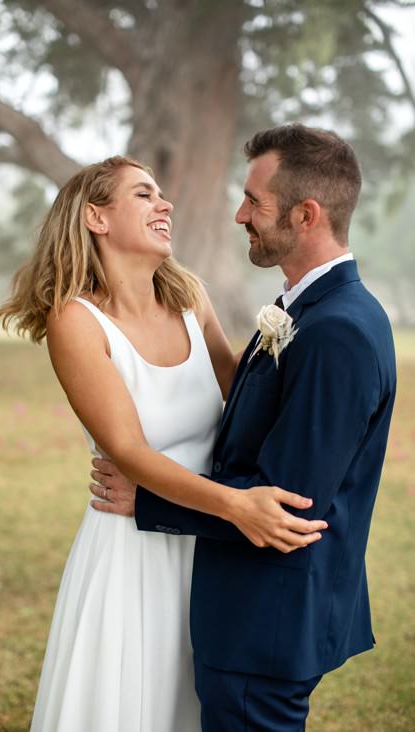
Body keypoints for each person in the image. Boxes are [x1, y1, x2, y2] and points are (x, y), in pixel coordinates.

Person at [0, 155, 329, 731]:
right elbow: (127, 450)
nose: (165, 204)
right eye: (145, 195)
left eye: (162, 195)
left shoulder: (188, 296)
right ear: (96, 218)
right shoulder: (74, 320)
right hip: (133, 545)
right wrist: (237, 505)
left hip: (209, 541)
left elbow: (241, 404)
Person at [93, 125, 396, 730]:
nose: (239, 215)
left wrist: (149, 502)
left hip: (268, 619)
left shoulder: (336, 331)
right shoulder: (300, 311)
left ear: (306, 215)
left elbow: (286, 504)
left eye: (254, 202)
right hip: (257, 610)